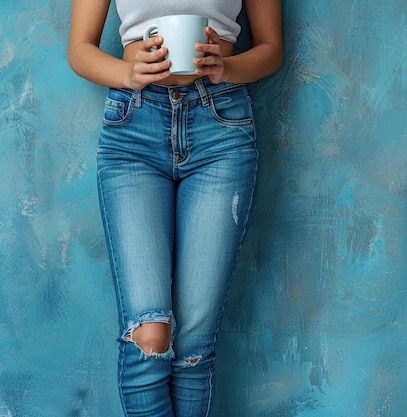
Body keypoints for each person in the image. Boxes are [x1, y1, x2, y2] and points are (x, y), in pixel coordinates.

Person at [67, 0, 283, 415]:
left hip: (220, 128)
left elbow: (271, 47)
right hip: (134, 128)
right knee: (149, 336)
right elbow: (80, 47)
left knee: (193, 350)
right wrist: (128, 73)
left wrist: (229, 66)